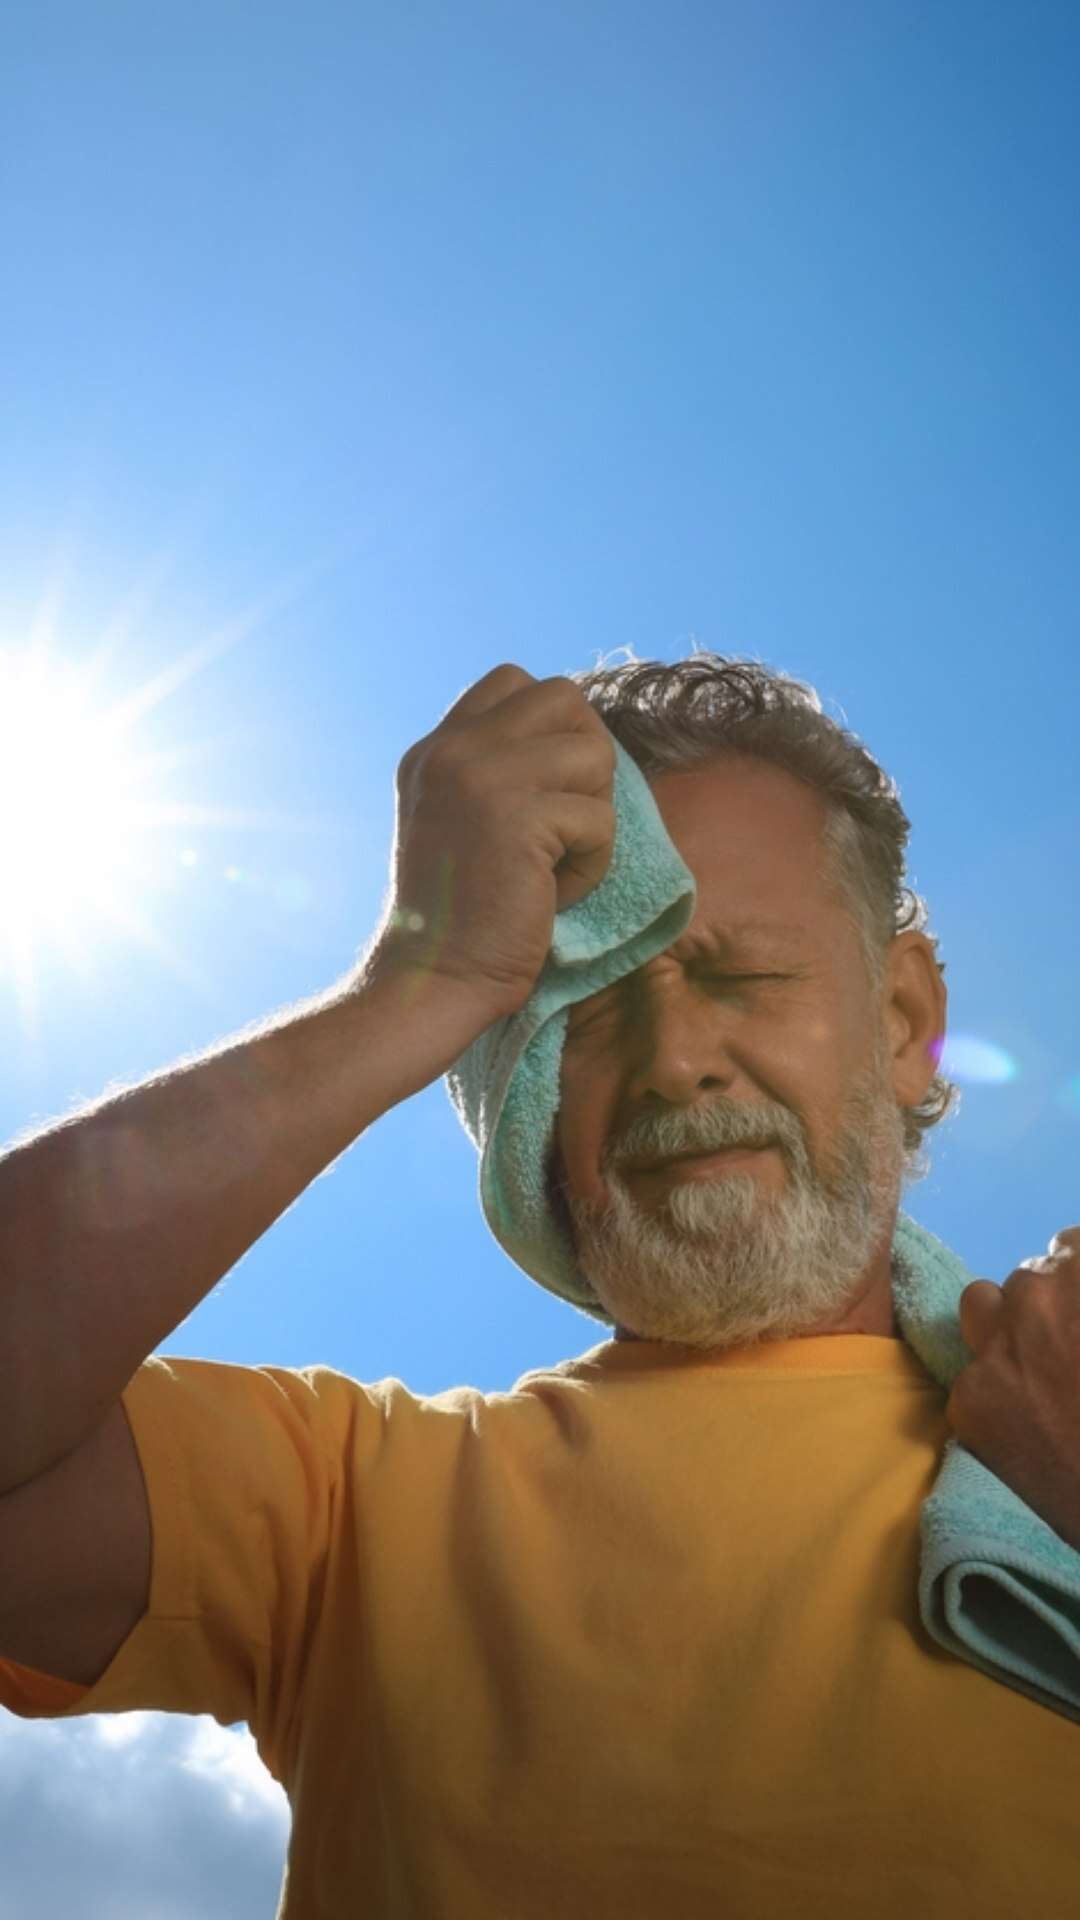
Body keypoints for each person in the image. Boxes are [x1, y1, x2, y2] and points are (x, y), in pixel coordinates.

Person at [0, 655, 1075, 1918]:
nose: (676, 1059)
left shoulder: (1050, 1429)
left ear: (903, 1022)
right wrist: (418, 985)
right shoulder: (346, 1502)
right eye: (591, 1011)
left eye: (742, 975)